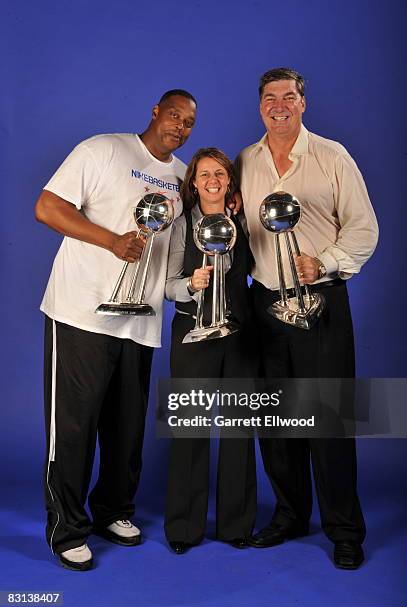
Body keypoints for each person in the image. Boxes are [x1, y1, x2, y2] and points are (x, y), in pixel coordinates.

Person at [34, 89, 199, 571]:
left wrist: (192, 285)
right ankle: (66, 528)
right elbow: (47, 207)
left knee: (126, 428)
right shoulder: (103, 149)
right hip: (81, 311)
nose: (180, 127)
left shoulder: (183, 180)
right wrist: (111, 241)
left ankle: (114, 510)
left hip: (140, 320)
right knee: (75, 425)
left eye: (189, 123)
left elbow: (171, 260)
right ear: (155, 112)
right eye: (174, 115)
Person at [236, 68, 378, 569]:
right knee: (274, 421)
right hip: (264, 305)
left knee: (330, 420)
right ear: (260, 106)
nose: (279, 105)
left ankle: (344, 528)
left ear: (303, 104)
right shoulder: (246, 162)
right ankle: (290, 515)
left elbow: (363, 228)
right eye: (270, 98)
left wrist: (327, 261)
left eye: (289, 97)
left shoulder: (331, 156)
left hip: (320, 304)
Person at [164, 148, 257, 554]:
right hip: (193, 333)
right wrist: (190, 285)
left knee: (239, 429)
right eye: (205, 174)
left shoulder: (244, 219)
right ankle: (184, 528)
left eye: (220, 173)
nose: (213, 180)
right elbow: (166, 285)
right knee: (189, 429)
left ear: (229, 180)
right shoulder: (182, 225)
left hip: (239, 334)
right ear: (194, 181)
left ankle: (237, 524)